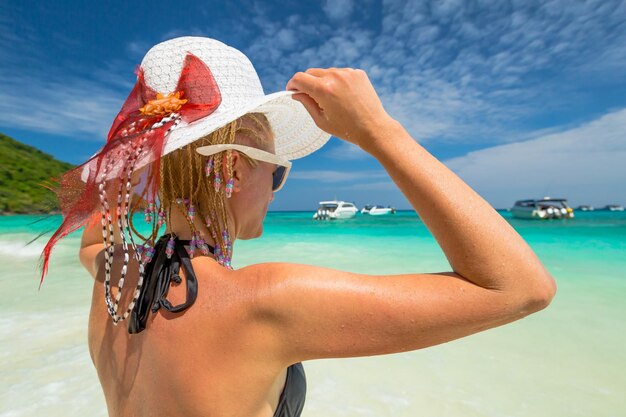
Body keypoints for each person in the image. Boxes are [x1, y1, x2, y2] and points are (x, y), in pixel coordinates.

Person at [40, 36, 556, 417]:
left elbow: (94, 230)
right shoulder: (267, 302)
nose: (278, 186)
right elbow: (519, 288)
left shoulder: (114, 273)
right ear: (234, 169)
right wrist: (380, 133)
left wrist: (149, 151)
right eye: (278, 171)